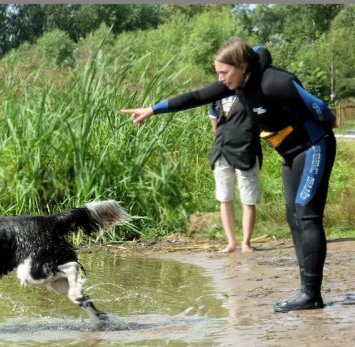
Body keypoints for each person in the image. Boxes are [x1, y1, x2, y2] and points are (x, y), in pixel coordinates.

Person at [121, 37, 336, 313]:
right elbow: (196, 97)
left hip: (314, 147)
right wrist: (152, 109)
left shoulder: (274, 82)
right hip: (290, 154)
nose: (220, 79)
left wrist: (328, 122)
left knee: (306, 215)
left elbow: (317, 104)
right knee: (294, 217)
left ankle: (311, 294)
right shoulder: (234, 84)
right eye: (217, 73)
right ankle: (306, 289)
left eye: (224, 72)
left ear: (242, 66)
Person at [208, 93, 262, 253]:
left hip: (248, 152)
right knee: (224, 198)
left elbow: (260, 124)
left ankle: (246, 243)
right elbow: (215, 128)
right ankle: (231, 243)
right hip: (222, 151)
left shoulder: (251, 93)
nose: (222, 77)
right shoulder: (216, 96)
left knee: (249, 199)